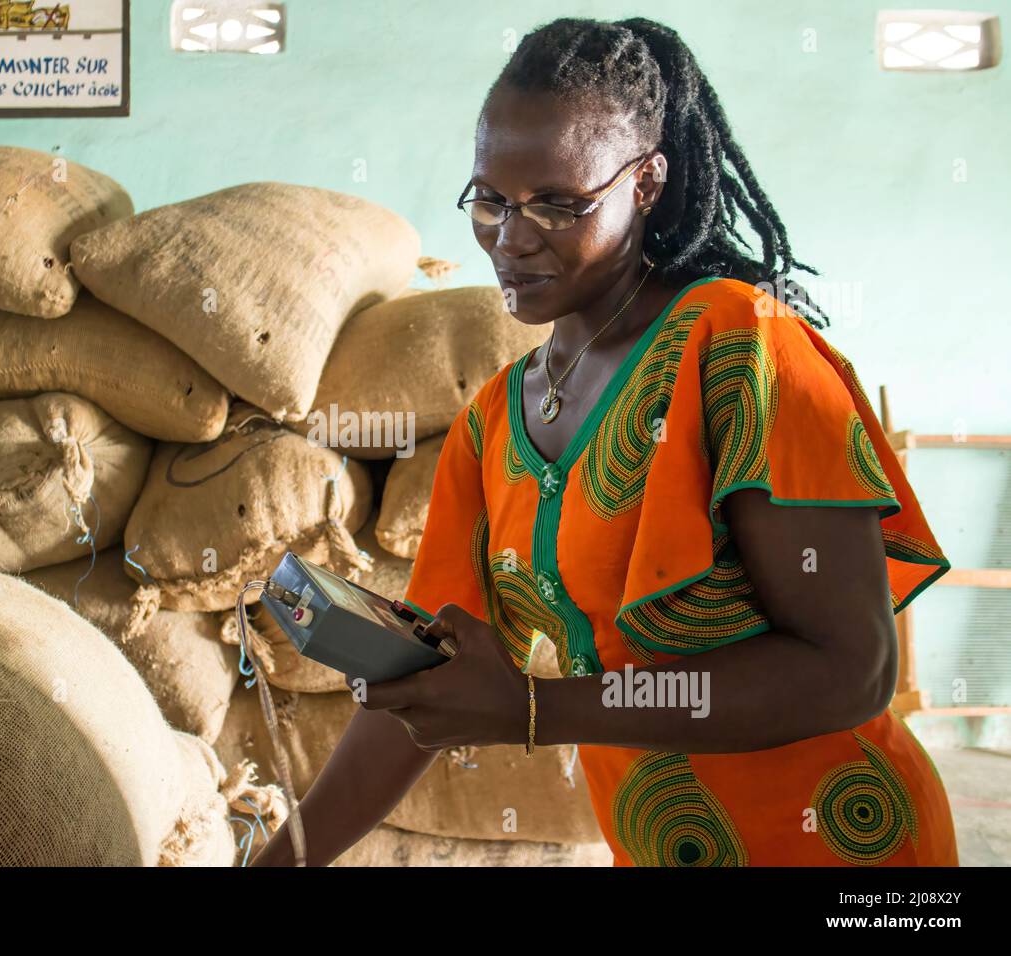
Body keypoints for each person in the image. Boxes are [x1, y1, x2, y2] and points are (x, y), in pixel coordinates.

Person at [252, 16, 957, 867]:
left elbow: (851, 671)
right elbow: (421, 689)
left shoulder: (740, 348)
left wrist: (540, 712)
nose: (512, 238)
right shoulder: (493, 423)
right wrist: (284, 859)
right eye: (490, 200)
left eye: (559, 203)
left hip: (848, 853)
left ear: (647, 182)